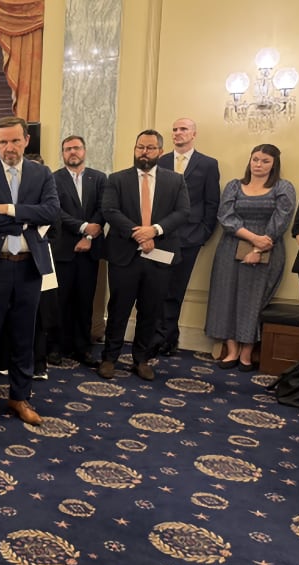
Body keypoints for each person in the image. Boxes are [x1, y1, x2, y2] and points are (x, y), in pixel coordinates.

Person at [0, 116, 58, 427]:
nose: (8, 147)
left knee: (23, 336)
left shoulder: (42, 173)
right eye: (2, 142)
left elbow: (52, 212)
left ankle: (20, 396)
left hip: (29, 267)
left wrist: (8, 209)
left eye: (14, 141)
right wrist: (27, 219)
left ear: (26, 140)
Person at [99, 130, 190, 381]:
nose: (144, 153)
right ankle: (109, 358)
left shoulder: (175, 181)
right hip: (124, 254)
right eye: (140, 147)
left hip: (159, 255)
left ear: (160, 151)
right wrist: (138, 233)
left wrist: (155, 231)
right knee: (118, 308)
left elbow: (183, 212)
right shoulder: (117, 179)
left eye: (150, 148)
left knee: (151, 310)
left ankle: (142, 360)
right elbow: (109, 210)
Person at [204, 144, 295, 371]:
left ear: (274, 164)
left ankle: (247, 352)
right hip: (232, 245)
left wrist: (257, 249)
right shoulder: (235, 186)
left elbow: (281, 220)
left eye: (265, 161)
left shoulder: (283, 187)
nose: (258, 165)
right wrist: (252, 238)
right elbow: (225, 216)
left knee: (252, 301)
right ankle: (231, 350)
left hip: (267, 248)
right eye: (255, 159)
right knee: (226, 297)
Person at [152, 118, 220, 356]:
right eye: (174, 129)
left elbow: (212, 203)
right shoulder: (160, 161)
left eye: (183, 129)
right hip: (160, 236)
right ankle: (154, 336)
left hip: (190, 238)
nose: (178, 133)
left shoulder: (208, 164)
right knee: (158, 289)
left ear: (194, 134)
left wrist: (203, 234)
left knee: (175, 292)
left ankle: (169, 339)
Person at [52, 135, 106, 367]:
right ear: (63, 153)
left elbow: (105, 208)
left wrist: (89, 236)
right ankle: (55, 348)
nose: (72, 152)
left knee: (85, 302)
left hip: (89, 251)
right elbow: (55, 210)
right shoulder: (53, 179)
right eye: (67, 149)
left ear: (84, 150)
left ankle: (82, 349)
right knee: (59, 302)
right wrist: (84, 227)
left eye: (76, 148)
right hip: (63, 249)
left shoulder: (99, 178)